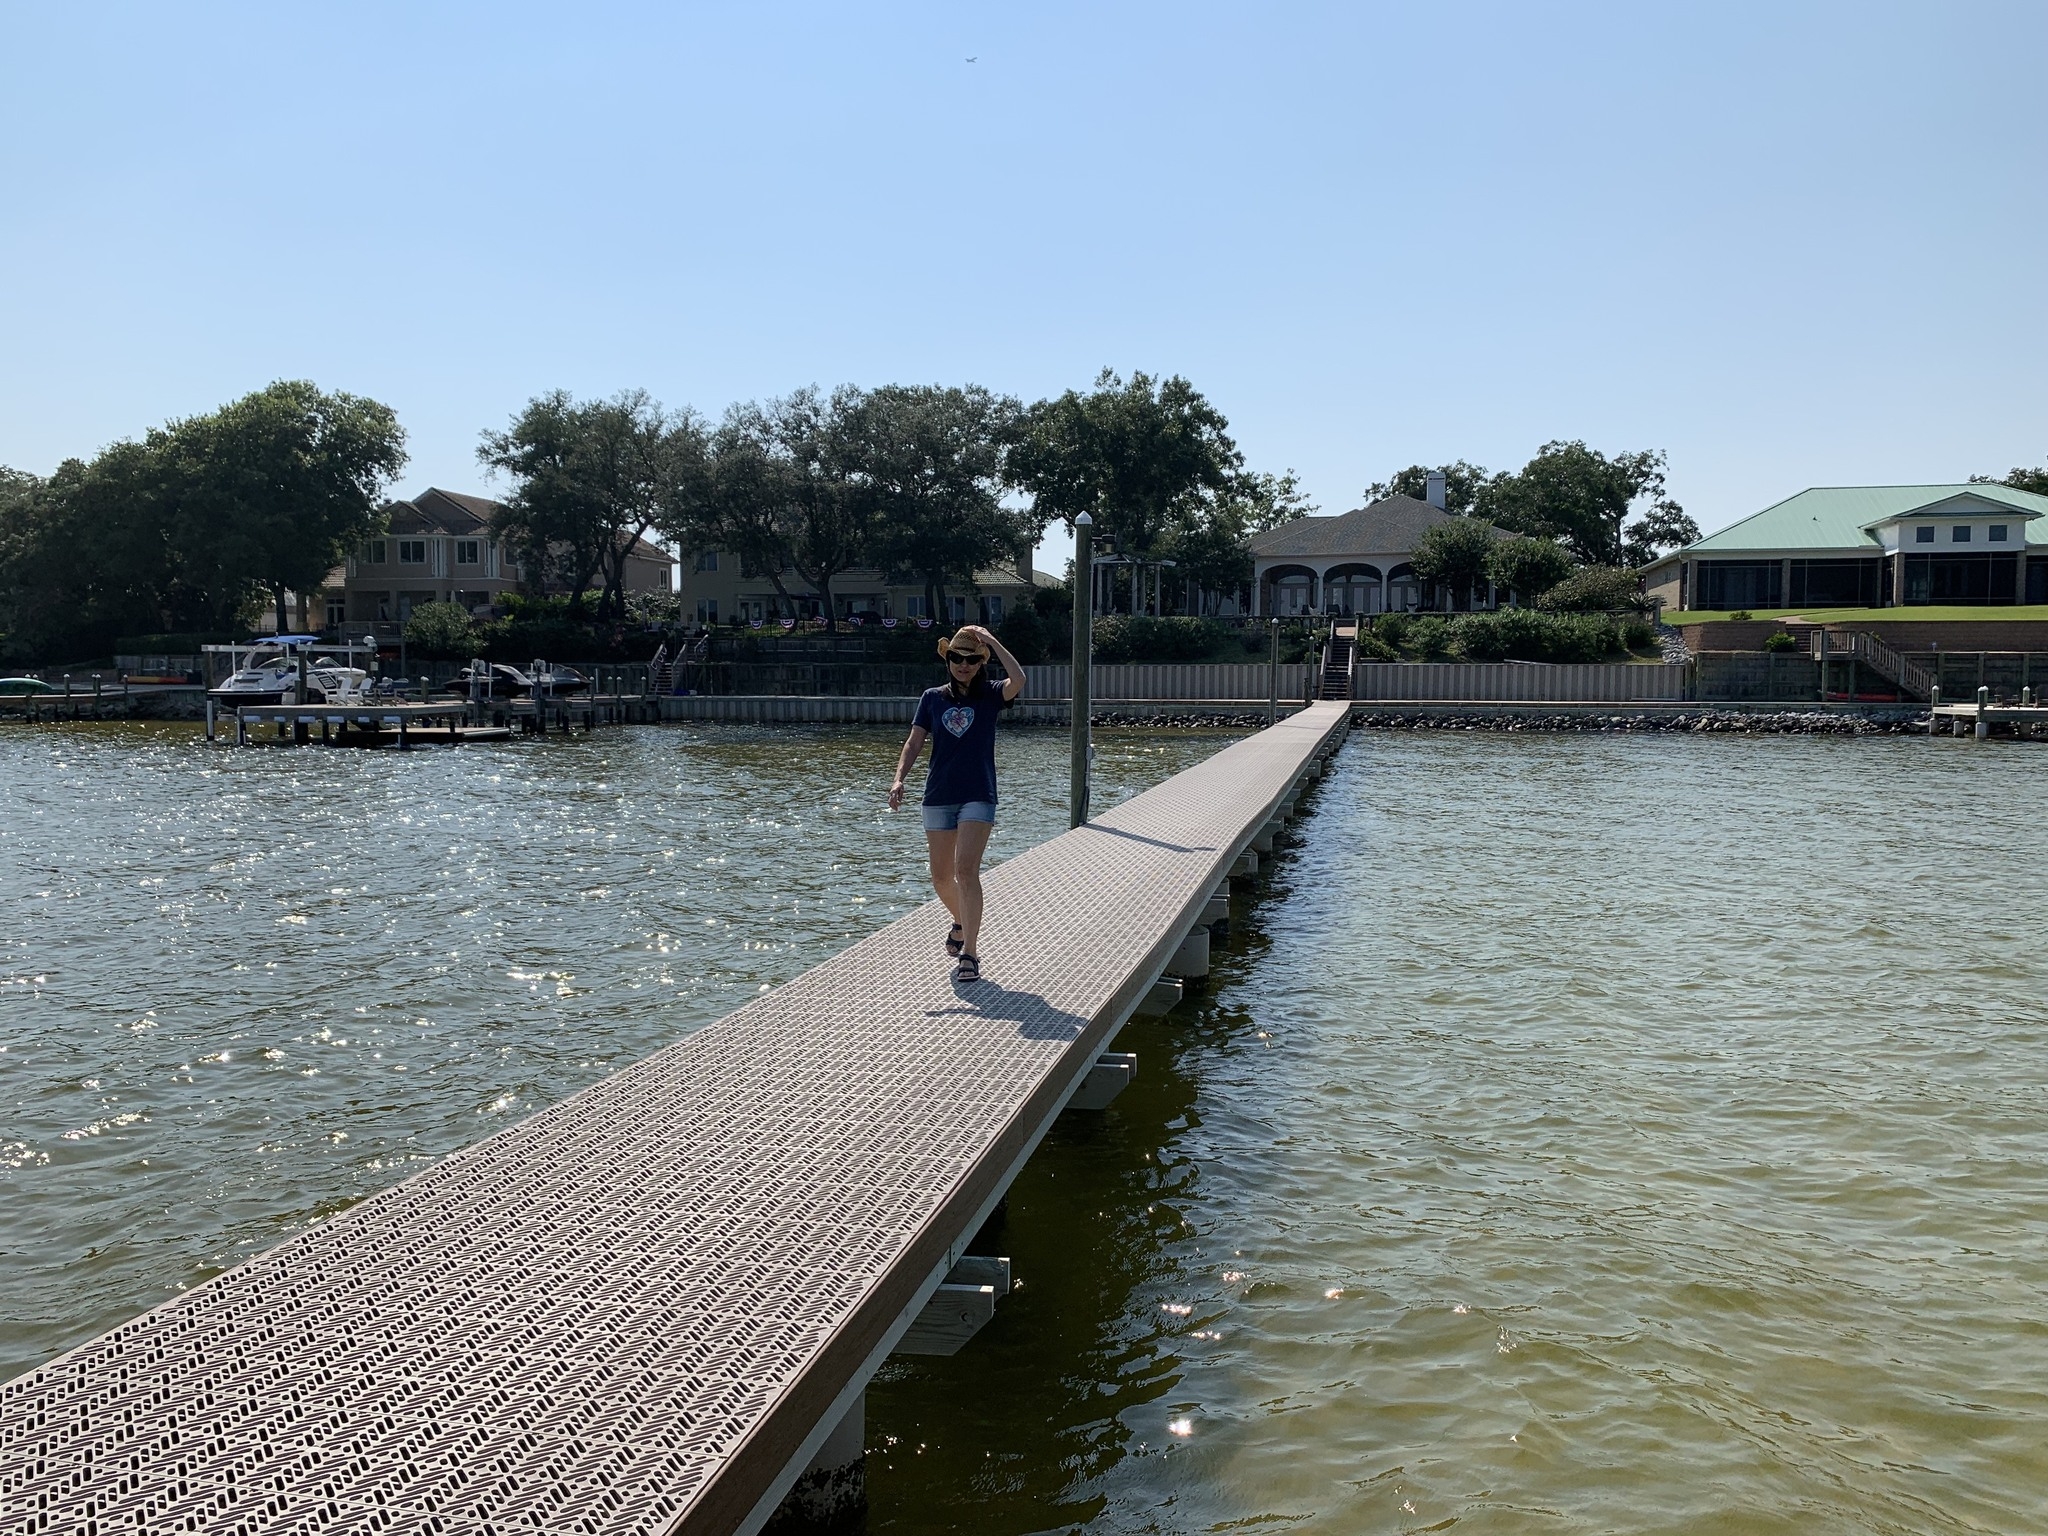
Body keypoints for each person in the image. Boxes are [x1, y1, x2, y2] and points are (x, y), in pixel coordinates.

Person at [888, 624, 1027, 982]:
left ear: (980, 663)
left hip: (978, 794)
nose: (963, 665)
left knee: (965, 871)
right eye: (957, 658)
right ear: (947, 660)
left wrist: (991, 641)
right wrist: (899, 778)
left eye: (971, 659)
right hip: (938, 795)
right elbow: (914, 742)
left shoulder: (992, 694)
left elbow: (1019, 679)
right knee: (940, 877)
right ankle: (961, 922)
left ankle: (971, 953)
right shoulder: (932, 698)